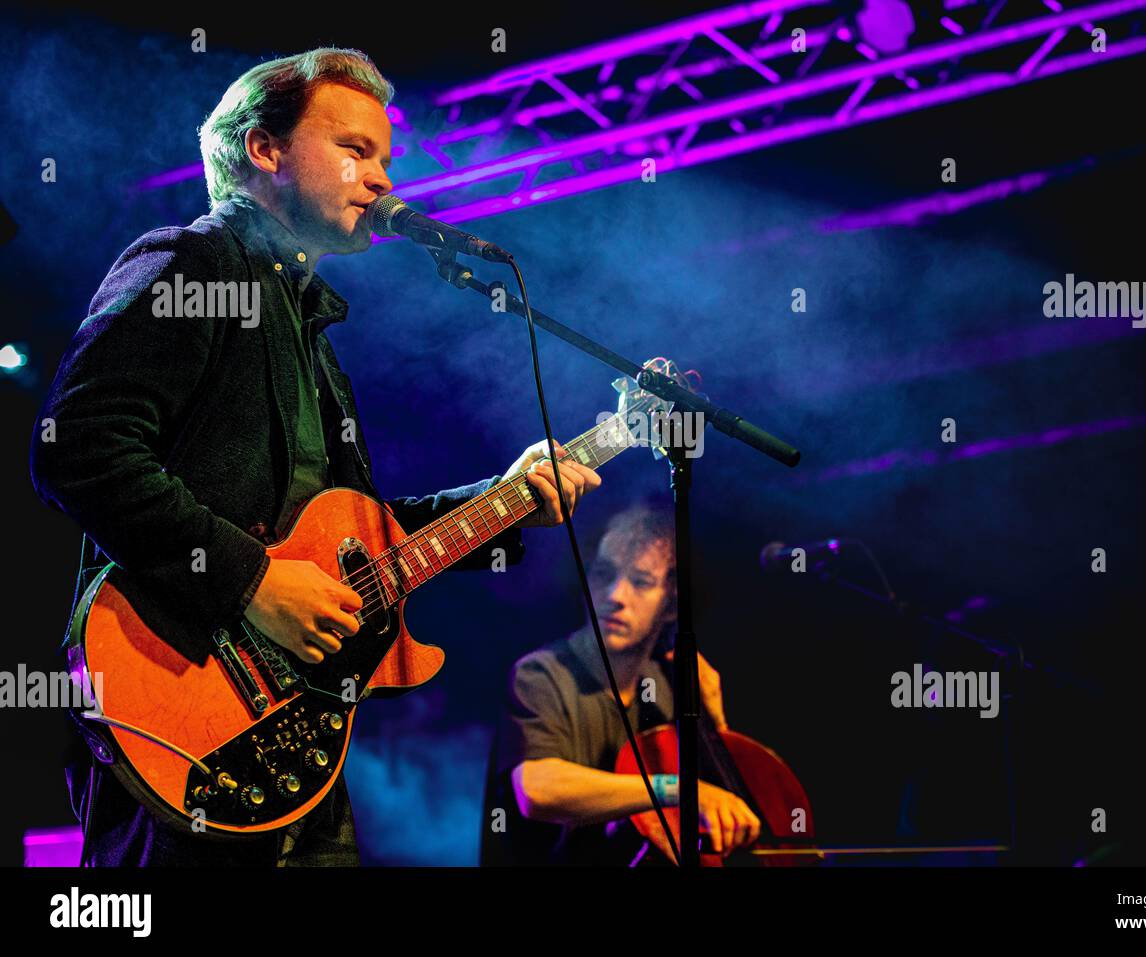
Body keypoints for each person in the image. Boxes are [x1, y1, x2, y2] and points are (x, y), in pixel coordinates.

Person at [29, 47, 601, 866]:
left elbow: (352, 538)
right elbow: (79, 450)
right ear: (264, 150)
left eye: (385, 159)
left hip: (297, 750)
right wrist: (252, 580)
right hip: (183, 714)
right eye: (353, 150)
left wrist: (506, 497)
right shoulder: (193, 263)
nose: (381, 181)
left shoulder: (310, 332)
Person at [481, 504, 760, 866]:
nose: (615, 595)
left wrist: (716, 723)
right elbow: (537, 788)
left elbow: (719, 804)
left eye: (640, 582)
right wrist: (674, 788)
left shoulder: (666, 683)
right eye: (603, 574)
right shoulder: (540, 674)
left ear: (671, 606)